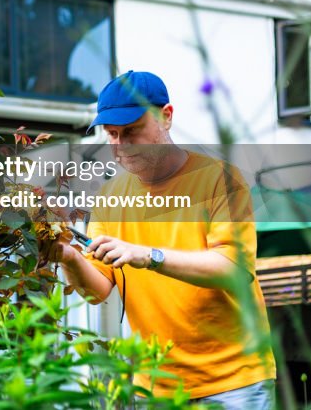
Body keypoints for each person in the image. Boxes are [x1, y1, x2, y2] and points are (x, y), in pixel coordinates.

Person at [51, 71, 276, 408]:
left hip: (233, 381)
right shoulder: (111, 197)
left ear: (166, 117)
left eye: (131, 131)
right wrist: (69, 258)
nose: (120, 145)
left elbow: (234, 268)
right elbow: (97, 290)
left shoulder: (219, 180)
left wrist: (148, 256)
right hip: (155, 385)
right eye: (111, 134)